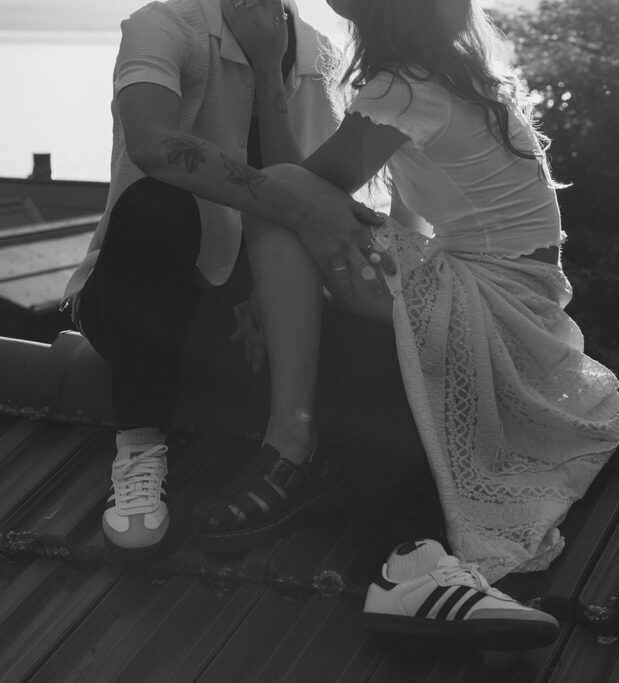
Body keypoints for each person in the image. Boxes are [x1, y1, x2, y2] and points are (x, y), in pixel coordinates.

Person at [194, 0, 619, 649]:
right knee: (329, 270)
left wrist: (264, 65)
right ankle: (408, 557)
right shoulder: (453, 77)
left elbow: (287, 192)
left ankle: (289, 448)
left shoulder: (401, 87)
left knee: (277, 194)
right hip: (527, 312)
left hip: (487, 303)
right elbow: (407, 223)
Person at [62, 0, 382, 553]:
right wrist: (292, 208)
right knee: (159, 204)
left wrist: (266, 68)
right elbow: (152, 143)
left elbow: (308, 190)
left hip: (239, 324)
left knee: (377, 332)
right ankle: (139, 444)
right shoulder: (164, 24)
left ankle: (376, 517)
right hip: (135, 300)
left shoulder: (318, 55)